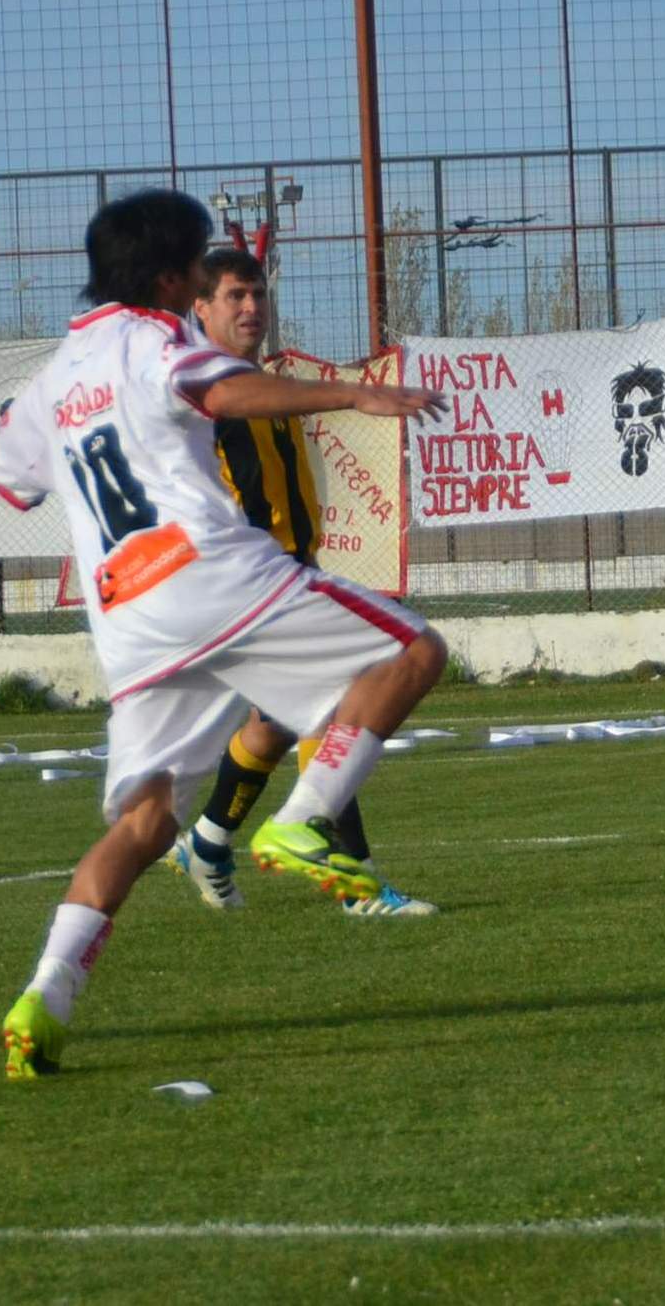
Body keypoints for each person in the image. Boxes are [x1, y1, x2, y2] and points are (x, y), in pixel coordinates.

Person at [0, 191, 452, 1081]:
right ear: (170, 277)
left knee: (146, 819)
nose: (209, 278)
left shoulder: (50, 380)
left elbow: (10, 477)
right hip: (202, 574)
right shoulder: (155, 341)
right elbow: (221, 389)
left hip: (125, 617)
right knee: (414, 651)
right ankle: (303, 823)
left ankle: (46, 993)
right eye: (201, 264)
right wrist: (355, 392)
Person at [170, 244, 433, 919]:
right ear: (199, 308)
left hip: (284, 573)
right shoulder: (204, 385)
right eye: (235, 295)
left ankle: (207, 838)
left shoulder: (261, 380)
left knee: (279, 722)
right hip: (246, 584)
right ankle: (357, 882)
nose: (253, 306)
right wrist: (355, 393)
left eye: (258, 293)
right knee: (359, 684)